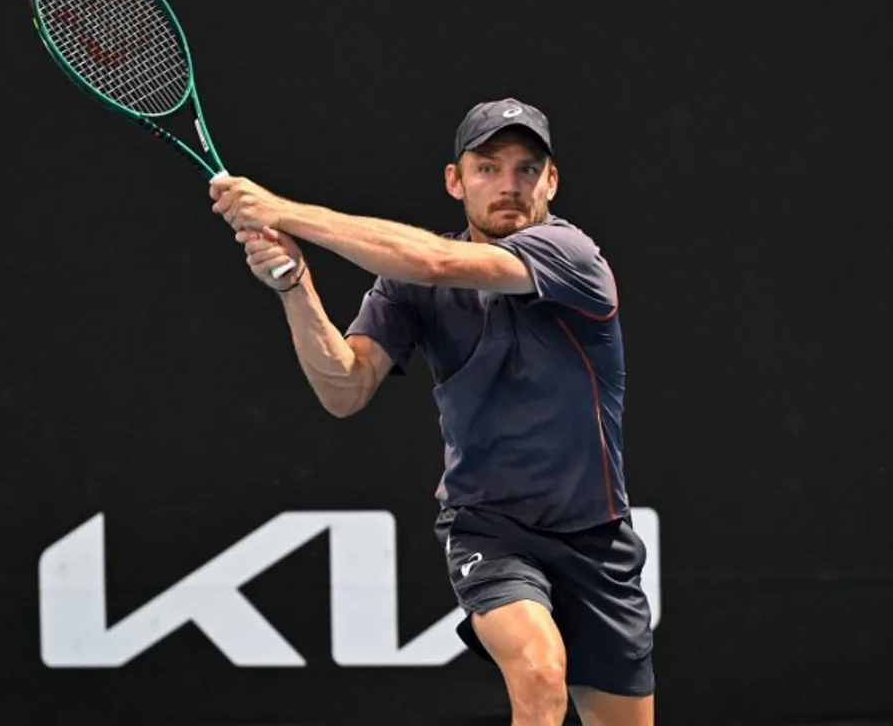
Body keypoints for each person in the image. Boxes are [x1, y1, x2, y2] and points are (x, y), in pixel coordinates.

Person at [209, 98, 654, 726]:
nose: (509, 186)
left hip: (596, 536)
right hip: (491, 529)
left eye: (528, 170)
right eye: (488, 168)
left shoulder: (572, 256)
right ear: (455, 180)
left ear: (551, 182)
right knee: (538, 669)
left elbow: (436, 262)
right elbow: (344, 387)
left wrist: (284, 212)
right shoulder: (406, 288)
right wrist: (294, 285)